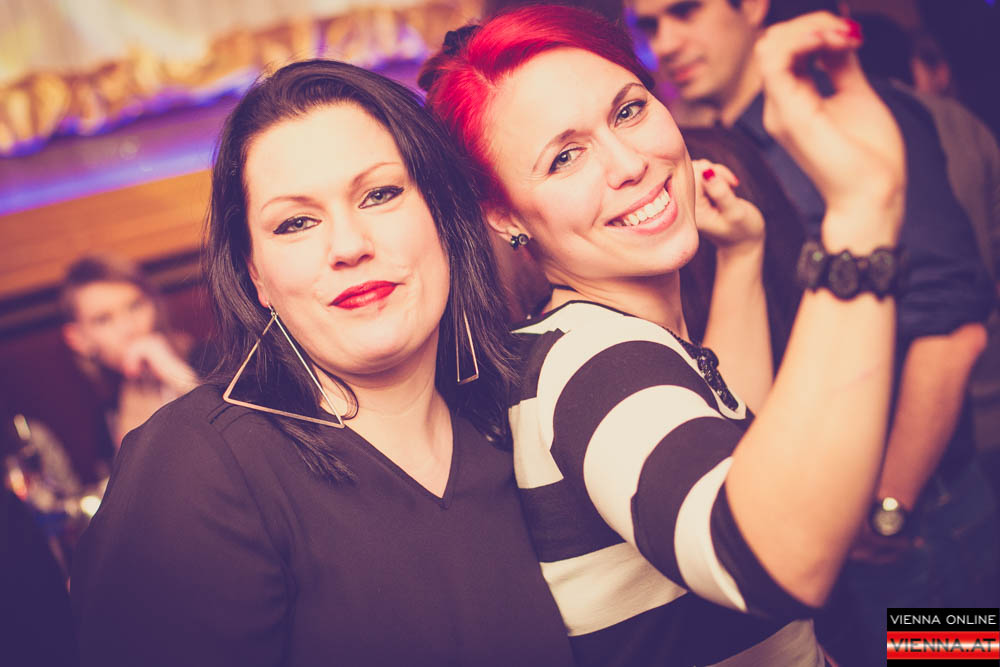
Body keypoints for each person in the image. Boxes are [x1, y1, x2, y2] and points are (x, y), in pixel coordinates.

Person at [423, 5, 905, 665]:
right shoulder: (591, 360)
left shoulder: (597, 339)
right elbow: (770, 562)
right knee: (970, 637)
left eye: (628, 110)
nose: (629, 163)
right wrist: (861, 215)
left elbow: (734, 458)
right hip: (910, 554)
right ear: (505, 214)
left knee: (968, 636)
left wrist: (741, 256)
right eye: (565, 157)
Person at [70, 60, 574, 666]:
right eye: (296, 223)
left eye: (380, 195)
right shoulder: (197, 464)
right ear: (256, 275)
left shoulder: (522, 419)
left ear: (443, 215)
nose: (349, 246)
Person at [630, 0, 998, 659]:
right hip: (812, 519)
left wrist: (888, 510)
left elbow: (950, 333)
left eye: (685, 11)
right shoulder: (713, 145)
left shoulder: (849, 119)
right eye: (651, 25)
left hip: (922, 519)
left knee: (954, 652)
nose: (667, 43)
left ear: (753, 7)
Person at [60, 255, 201, 453]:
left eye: (135, 306)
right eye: (103, 319)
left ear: (153, 304)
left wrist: (174, 371)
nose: (128, 328)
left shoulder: (207, 358)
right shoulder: (107, 411)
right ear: (78, 339)